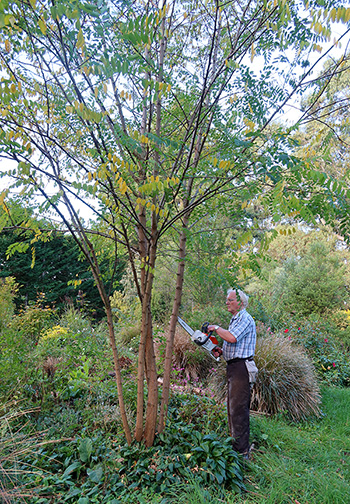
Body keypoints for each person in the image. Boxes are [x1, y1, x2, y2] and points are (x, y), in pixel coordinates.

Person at [208, 288, 256, 458]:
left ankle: (242, 452)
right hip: (234, 366)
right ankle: (235, 445)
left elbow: (232, 338)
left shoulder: (244, 318)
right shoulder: (235, 319)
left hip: (242, 368)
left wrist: (214, 327)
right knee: (232, 407)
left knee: (239, 409)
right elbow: (232, 343)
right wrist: (221, 351)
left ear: (240, 303)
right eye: (227, 300)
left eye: (230, 300)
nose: (227, 302)